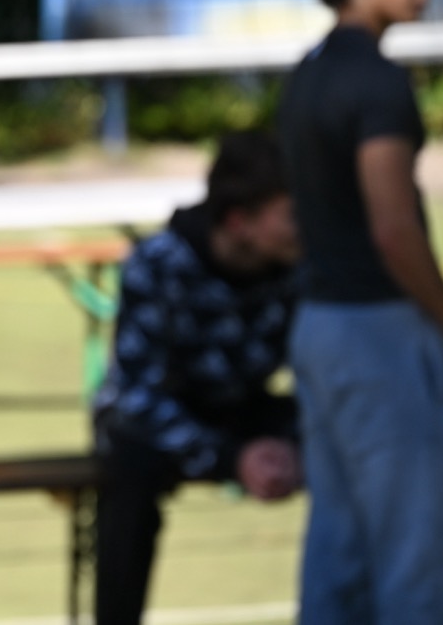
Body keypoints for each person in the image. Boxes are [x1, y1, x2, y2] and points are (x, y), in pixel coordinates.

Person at [277, 0, 443, 624]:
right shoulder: (376, 82)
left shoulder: (307, 74)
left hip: (319, 329)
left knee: (341, 560)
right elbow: (394, 230)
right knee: (423, 566)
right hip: (381, 338)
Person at [90, 130, 302, 625]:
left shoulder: (300, 267)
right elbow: (137, 397)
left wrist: (290, 442)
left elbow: (321, 377)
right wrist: (231, 457)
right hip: (158, 418)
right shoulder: (158, 264)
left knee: (357, 438)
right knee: (128, 468)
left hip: (246, 408)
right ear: (239, 221)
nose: (308, 226)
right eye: (293, 214)